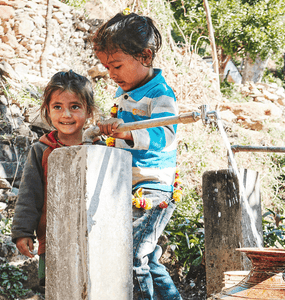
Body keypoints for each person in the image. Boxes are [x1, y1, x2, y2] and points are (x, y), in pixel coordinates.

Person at [92, 11, 181, 300]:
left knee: (130, 257)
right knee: (148, 258)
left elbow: (165, 135)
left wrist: (126, 132)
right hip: (128, 187)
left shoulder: (161, 96)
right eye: (107, 67)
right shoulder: (126, 93)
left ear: (144, 55)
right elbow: (118, 133)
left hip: (153, 189)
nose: (111, 74)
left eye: (116, 65)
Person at [11, 70, 97, 286]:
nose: (66, 114)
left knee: (91, 286)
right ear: (47, 111)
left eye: (75, 107)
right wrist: (22, 231)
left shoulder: (98, 151)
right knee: (56, 287)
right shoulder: (41, 151)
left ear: (89, 112)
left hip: (93, 239)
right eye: (57, 107)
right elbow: (29, 194)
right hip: (52, 238)